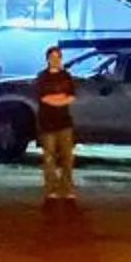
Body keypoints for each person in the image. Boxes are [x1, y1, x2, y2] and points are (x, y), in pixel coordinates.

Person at [34, 45, 79, 204]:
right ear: (47, 59)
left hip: (65, 122)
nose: (55, 60)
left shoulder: (66, 76)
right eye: (52, 57)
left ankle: (67, 188)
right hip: (47, 123)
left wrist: (58, 99)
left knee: (67, 157)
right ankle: (51, 189)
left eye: (58, 57)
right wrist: (59, 98)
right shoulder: (42, 77)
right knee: (49, 157)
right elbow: (44, 98)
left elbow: (72, 96)